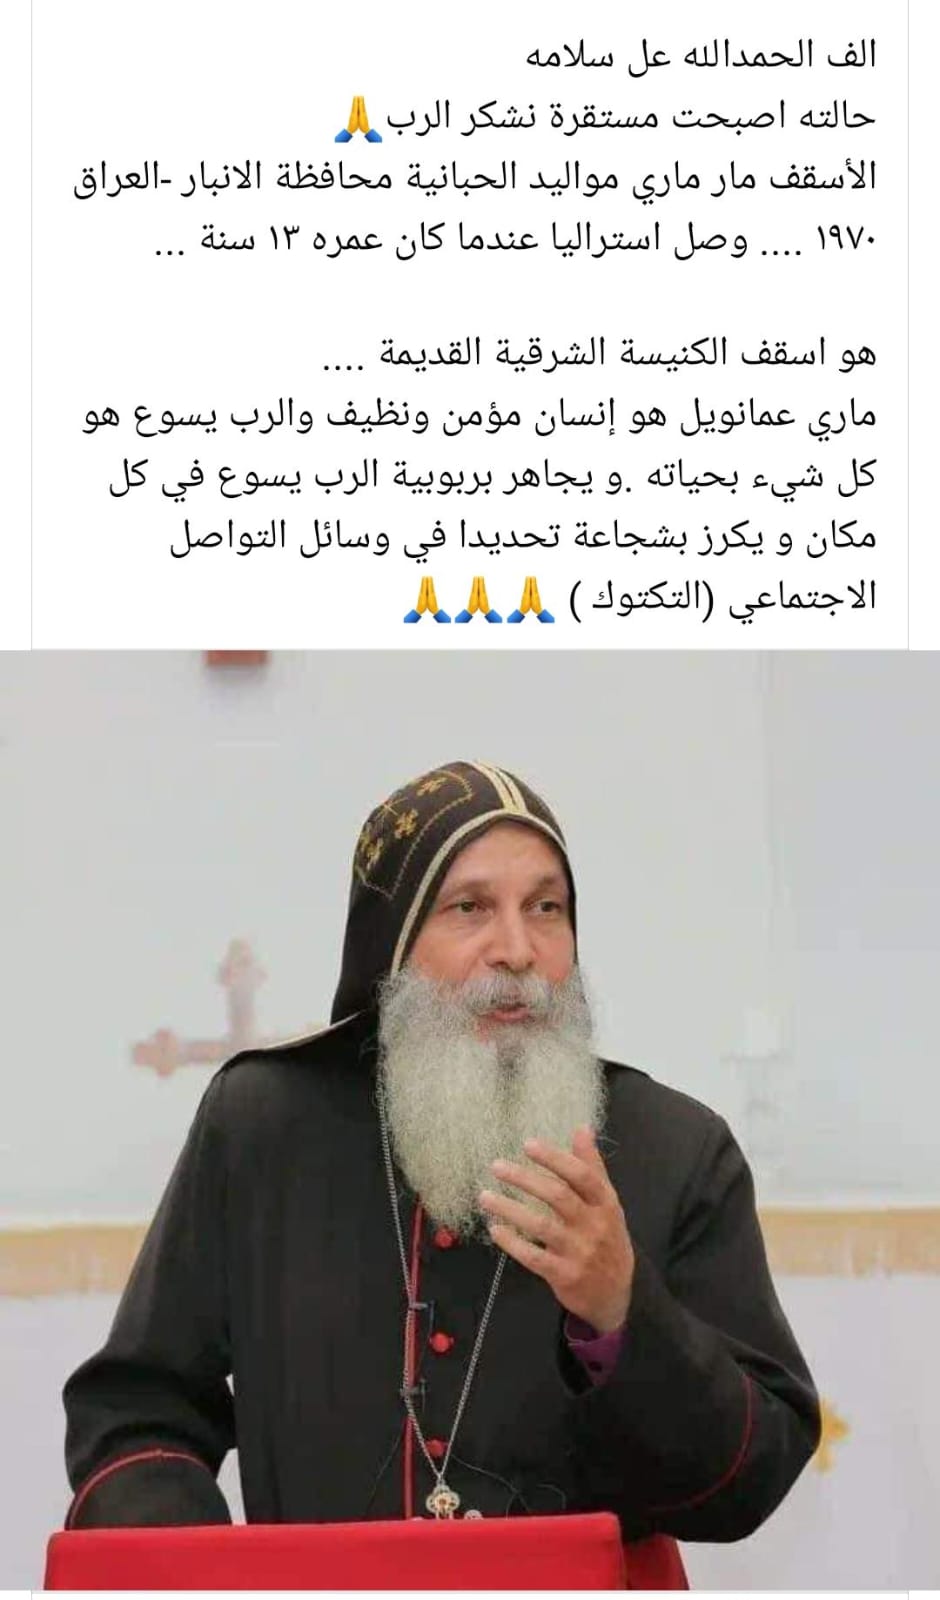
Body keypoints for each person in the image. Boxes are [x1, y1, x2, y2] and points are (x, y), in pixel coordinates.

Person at [62, 760, 820, 1588]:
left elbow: (752, 1478)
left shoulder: (674, 1148)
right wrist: (208, 1570)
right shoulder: (265, 1127)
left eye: (546, 908)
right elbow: (137, 1410)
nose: (518, 950)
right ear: (392, 941)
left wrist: (621, 1309)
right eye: (470, 908)